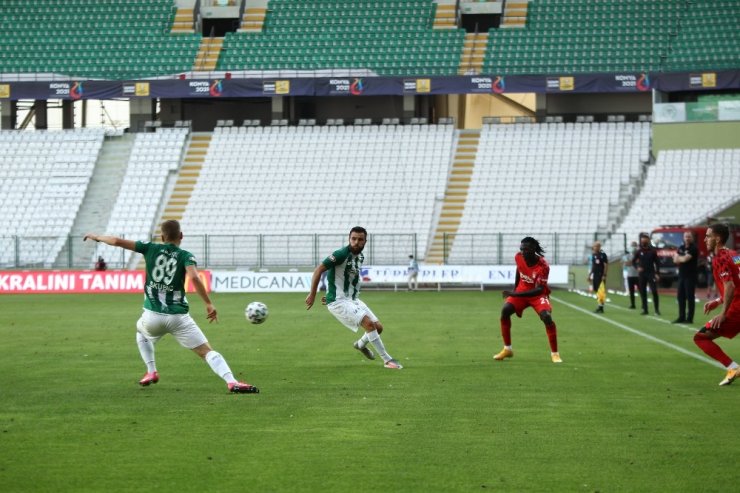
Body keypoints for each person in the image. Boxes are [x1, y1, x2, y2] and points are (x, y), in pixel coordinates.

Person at [83, 220, 259, 394]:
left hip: (152, 317)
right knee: (206, 352)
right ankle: (231, 382)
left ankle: (151, 371)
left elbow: (116, 241)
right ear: (181, 236)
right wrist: (208, 303)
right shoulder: (186, 256)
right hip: (178, 318)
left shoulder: (149, 247)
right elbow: (195, 278)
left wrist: (97, 236)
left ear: (161, 236)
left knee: (141, 333)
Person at [305, 226, 403, 369]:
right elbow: (319, 269)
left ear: (365, 241)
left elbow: (347, 279)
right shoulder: (340, 254)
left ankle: (360, 345)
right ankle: (387, 360)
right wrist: (313, 294)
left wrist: (330, 294)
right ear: (349, 239)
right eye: (353, 239)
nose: (356, 242)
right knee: (369, 324)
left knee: (378, 327)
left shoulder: (360, 257)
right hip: (339, 301)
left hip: (352, 299)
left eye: (360, 239)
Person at [493, 236, 561, 363]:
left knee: (546, 316)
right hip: (521, 291)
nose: (523, 252)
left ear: (533, 249)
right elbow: (519, 270)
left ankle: (555, 354)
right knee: (505, 311)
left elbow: (540, 289)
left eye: (526, 250)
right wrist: (515, 290)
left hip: (538, 295)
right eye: (521, 249)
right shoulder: (519, 257)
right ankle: (507, 349)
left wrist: (515, 295)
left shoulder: (543, 266)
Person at [692, 224, 740, 386]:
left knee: (700, 338)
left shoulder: (720, 258)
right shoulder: (734, 255)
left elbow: (730, 286)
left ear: (717, 238)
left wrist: (723, 313)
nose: (705, 239)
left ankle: (733, 368)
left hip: (736, 309)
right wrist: (718, 301)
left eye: (708, 236)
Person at [673, 231, 698, 324]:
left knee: (690, 297)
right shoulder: (681, 247)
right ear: (683, 238)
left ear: (692, 238)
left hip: (690, 276)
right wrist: (680, 258)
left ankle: (690, 318)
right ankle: (681, 317)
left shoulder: (694, 248)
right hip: (681, 275)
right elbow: (675, 260)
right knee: (680, 297)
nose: (687, 238)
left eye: (689, 237)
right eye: (686, 236)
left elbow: (685, 259)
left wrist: (680, 258)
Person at [633, 233, 661, 316]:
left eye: (645, 239)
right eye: (642, 240)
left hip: (651, 273)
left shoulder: (653, 251)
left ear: (648, 240)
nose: (643, 241)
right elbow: (634, 261)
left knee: (654, 291)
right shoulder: (639, 251)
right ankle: (645, 309)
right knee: (643, 291)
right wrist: (637, 267)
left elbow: (657, 262)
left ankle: (656, 309)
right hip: (642, 274)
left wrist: (657, 273)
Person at [588, 241, 608, 313]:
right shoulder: (593, 255)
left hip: (601, 275)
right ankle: (600, 306)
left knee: (601, 291)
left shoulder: (603, 255)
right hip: (595, 275)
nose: (595, 247)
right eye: (594, 246)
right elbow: (593, 266)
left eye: (596, 246)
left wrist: (604, 275)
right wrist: (590, 275)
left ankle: (601, 307)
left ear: (599, 247)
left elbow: (605, 265)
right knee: (596, 291)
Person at [622, 241, 639, 309]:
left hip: (638, 275)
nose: (633, 247)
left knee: (641, 290)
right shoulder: (627, 256)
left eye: (634, 245)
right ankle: (632, 304)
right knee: (631, 291)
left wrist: (631, 262)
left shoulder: (639, 255)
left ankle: (644, 304)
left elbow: (639, 262)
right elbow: (626, 263)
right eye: (632, 246)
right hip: (630, 274)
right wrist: (635, 262)